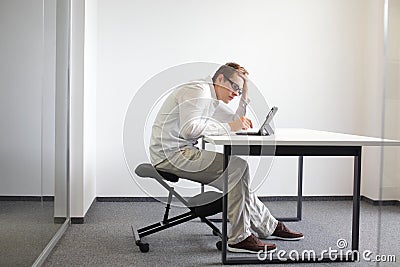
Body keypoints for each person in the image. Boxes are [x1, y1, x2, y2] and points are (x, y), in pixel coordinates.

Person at [149, 62, 303, 253]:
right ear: (220, 79)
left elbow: (234, 120)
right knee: (237, 169)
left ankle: (268, 226)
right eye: (235, 87)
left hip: (179, 151)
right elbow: (189, 130)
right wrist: (232, 127)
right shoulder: (199, 91)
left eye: (239, 90)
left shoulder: (211, 97)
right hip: (171, 155)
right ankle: (240, 238)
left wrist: (244, 98)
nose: (235, 93)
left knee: (238, 178)